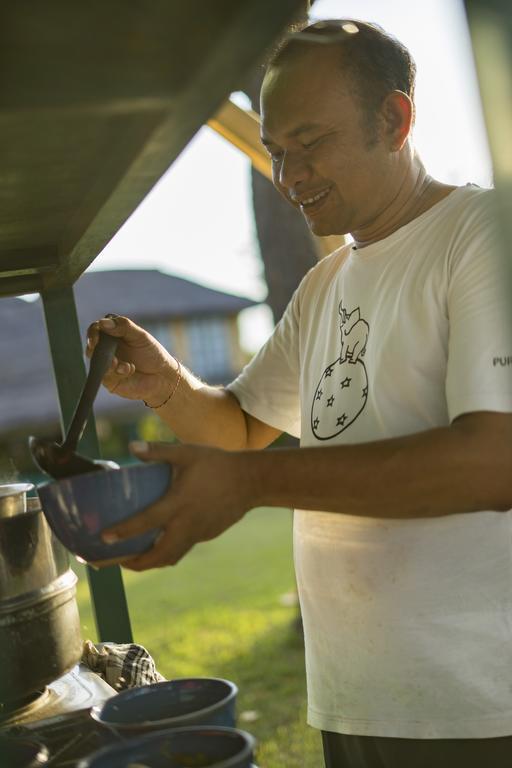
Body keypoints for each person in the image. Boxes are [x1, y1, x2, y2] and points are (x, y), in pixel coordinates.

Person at [87, 20, 512, 768]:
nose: (288, 176)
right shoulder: (326, 284)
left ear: (395, 119)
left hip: (475, 701)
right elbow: (246, 427)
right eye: (277, 151)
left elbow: (494, 461)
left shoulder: (481, 234)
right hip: (356, 693)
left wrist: (250, 487)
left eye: (310, 143)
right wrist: (170, 386)